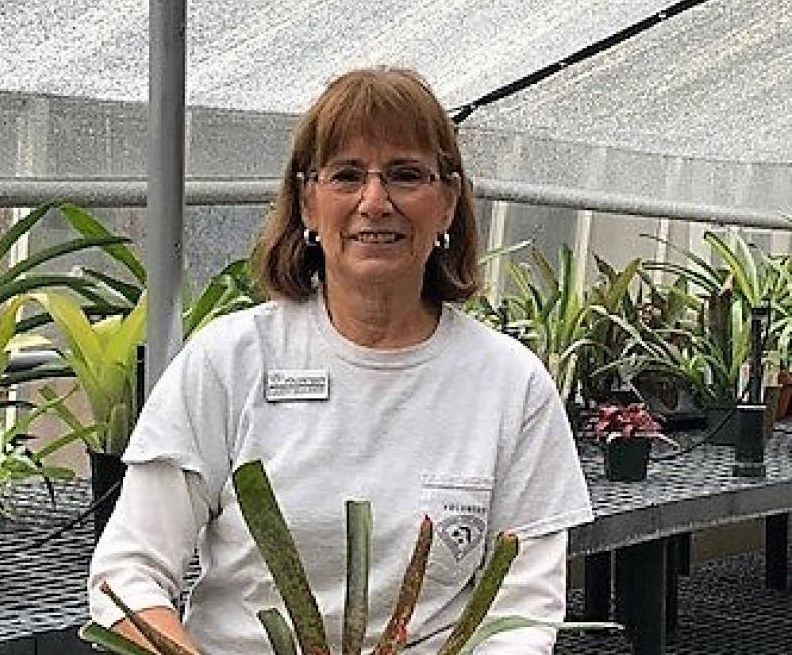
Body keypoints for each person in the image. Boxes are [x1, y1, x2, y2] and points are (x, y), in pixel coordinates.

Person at [88, 67, 593, 654]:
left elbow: (524, 610)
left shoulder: (511, 385)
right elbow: (128, 573)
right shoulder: (229, 362)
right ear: (307, 202)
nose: (374, 202)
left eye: (405, 175)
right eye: (347, 175)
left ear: (448, 202)